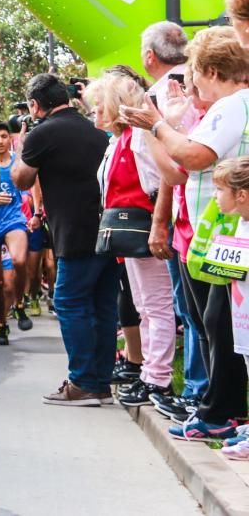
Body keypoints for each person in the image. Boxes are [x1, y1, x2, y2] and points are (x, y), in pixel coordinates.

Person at [119, 26, 249, 440]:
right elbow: (176, 168)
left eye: (193, 71)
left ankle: (221, 411)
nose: (189, 80)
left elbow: (191, 157)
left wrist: (157, 125)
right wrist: (161, 127)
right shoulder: (228, 107)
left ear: (210, 69)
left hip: (226, 232)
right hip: (214, 232)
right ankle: (220, 409)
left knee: (222, 324)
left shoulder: (232, 106)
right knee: (213, 321)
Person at [12, 73, 118, 406]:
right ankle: (101, 382)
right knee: (103, 308)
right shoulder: (95, 129)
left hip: (74, 231)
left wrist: (23, 144)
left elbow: (21, 178)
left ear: (34, 105)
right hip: (109, 230)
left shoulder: (43, 132)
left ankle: (82, 382)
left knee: (71, 303)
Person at [84, 72, 175, 406]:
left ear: (115, 106)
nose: (94, 112)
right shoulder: (120, 140)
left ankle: (158, 378)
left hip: (145, 230)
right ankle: (151, 372)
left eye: (99, 105)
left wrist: (158, 224)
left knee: (156, 305)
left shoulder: (138, 138)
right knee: (145, 306)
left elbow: (162, 179)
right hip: (130, 234)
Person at [211, 157, 249, 459]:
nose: (214, 197)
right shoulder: (240, 223)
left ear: (241, 195)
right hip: (242, 319)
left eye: (219, 190)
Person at [0, 121, 32, 339]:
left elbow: (28, 180)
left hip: (14, 219)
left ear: (9, 139)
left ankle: (20, 301)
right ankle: (2, 323)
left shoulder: (16, 160)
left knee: (19, 261)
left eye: (4, 136)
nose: (0, 141)